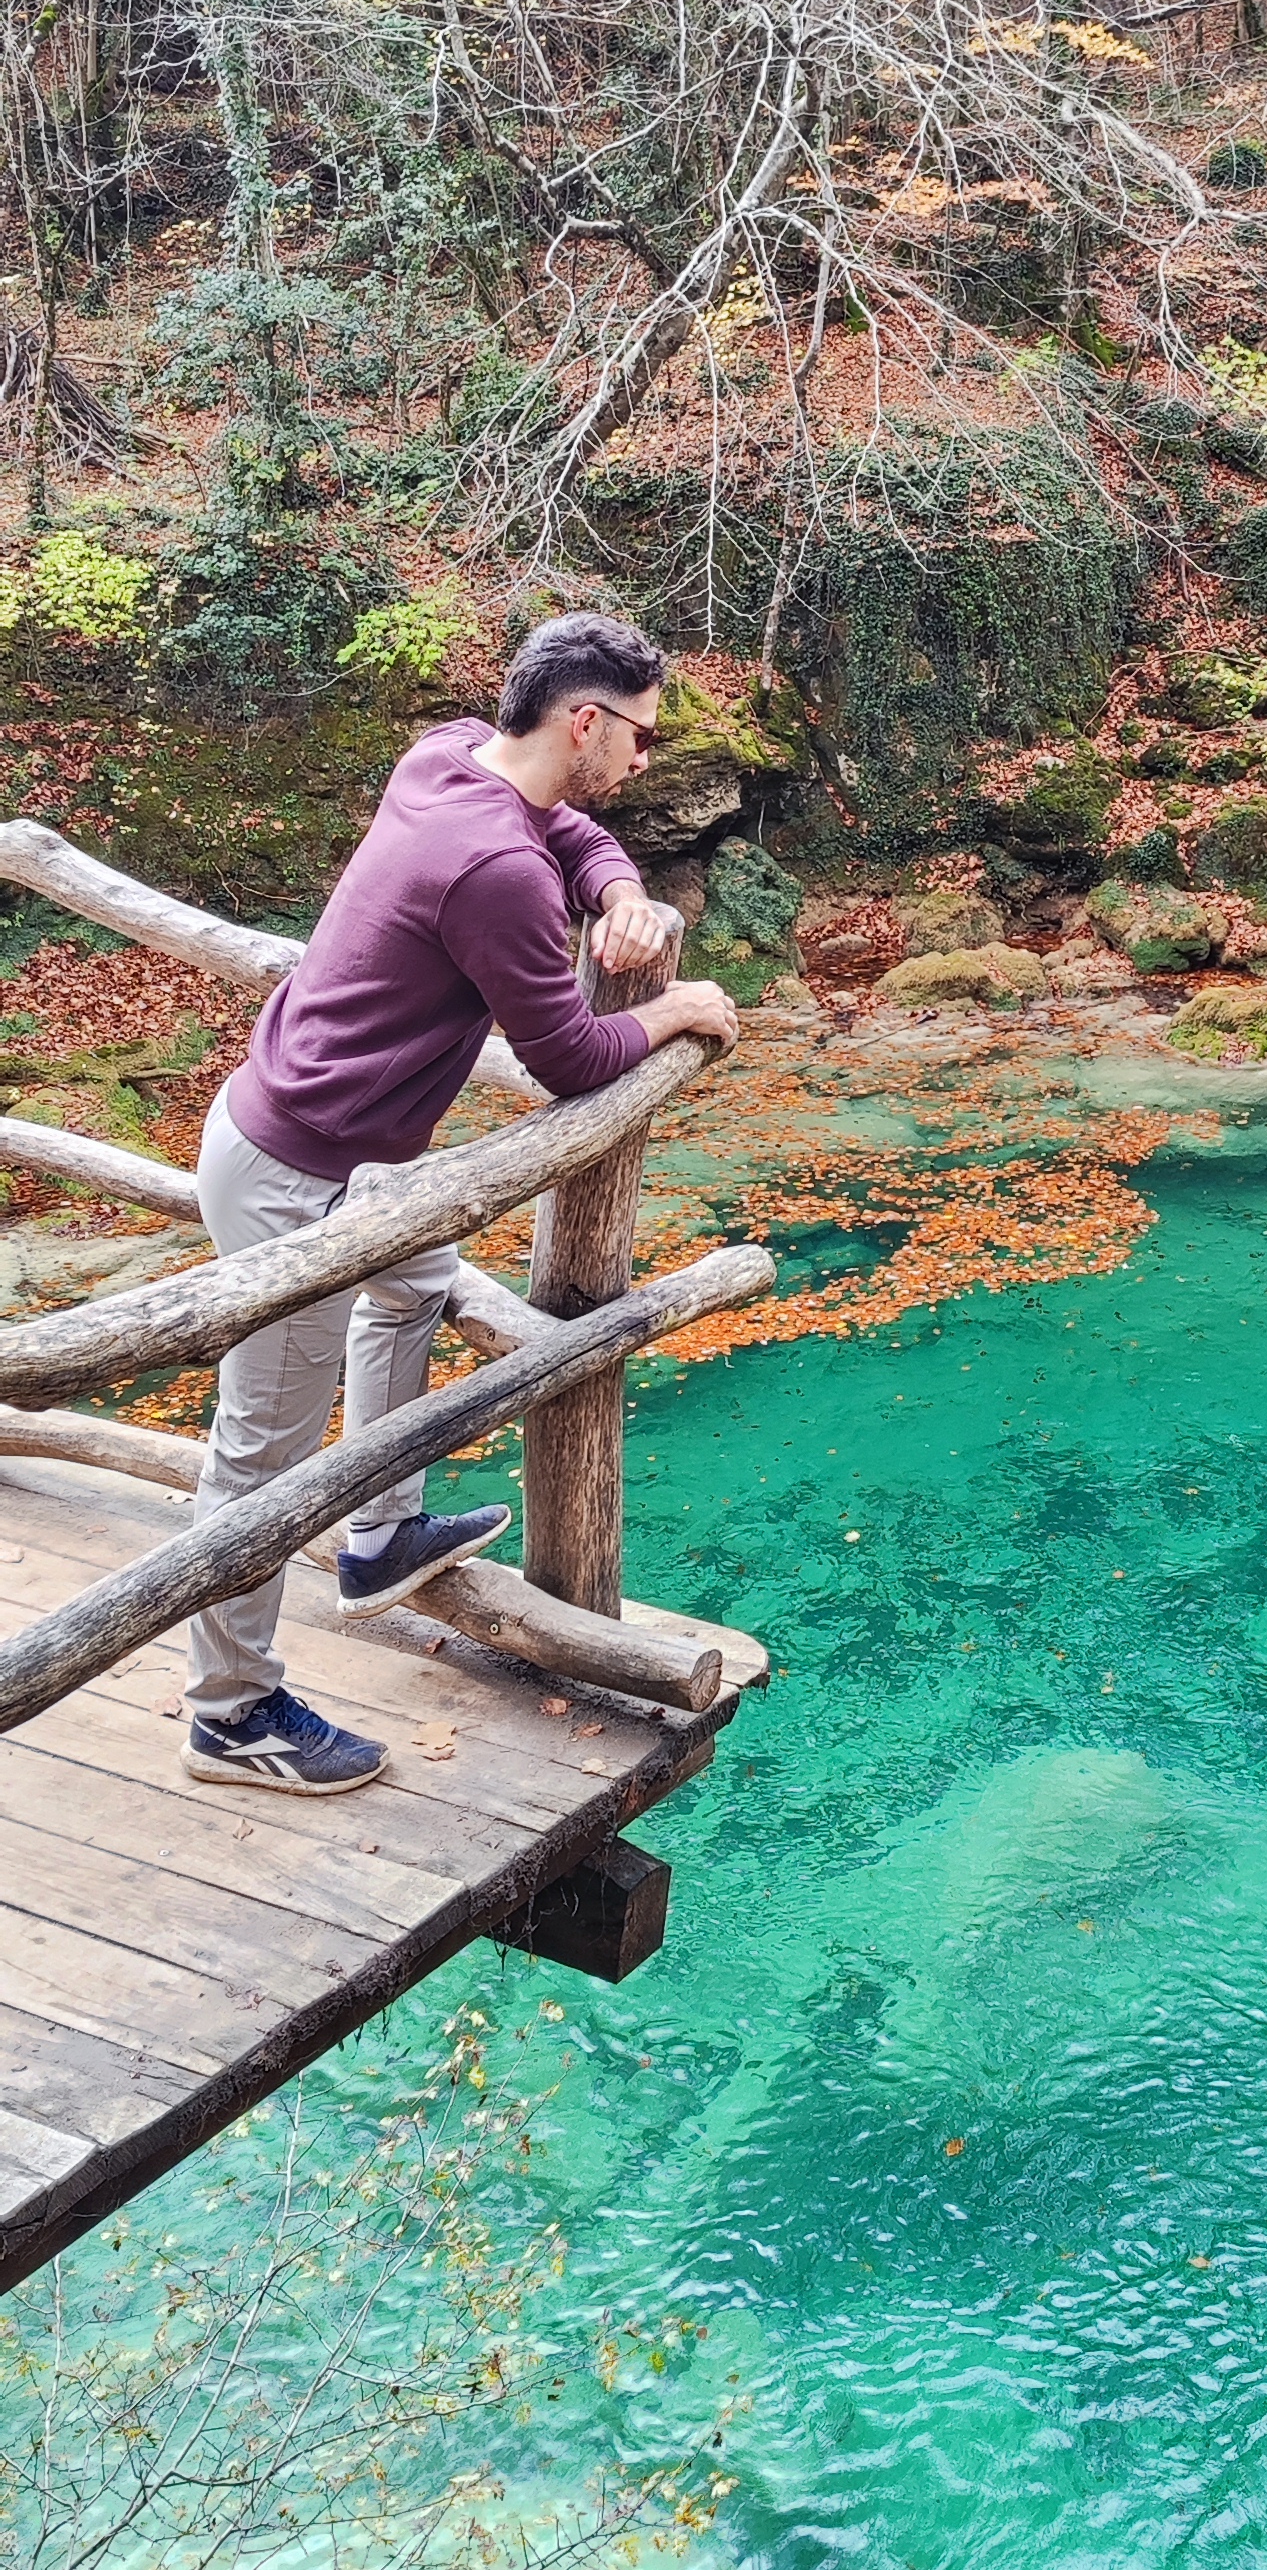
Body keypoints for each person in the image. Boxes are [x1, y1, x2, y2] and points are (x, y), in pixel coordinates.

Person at [181, 611, 741, 1795]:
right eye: (641, 736)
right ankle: (230, 1713)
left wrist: (621, 889)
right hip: (295, 1181)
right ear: (583, 722)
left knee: (418, 1283)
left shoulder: (449, 754)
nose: (645, 759)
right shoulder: (497, 873)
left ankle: (381, 1532)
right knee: (262, 1459)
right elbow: (573, 1058)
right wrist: (678, 1008)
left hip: (325, 1152)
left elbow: (568, 828)